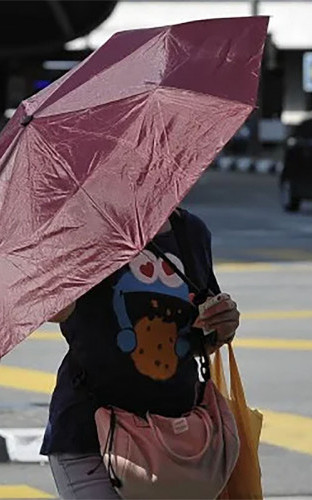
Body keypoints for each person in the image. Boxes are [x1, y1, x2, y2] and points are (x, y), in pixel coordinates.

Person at [41, 207, 240, 499]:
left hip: (177, 438)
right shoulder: (81, 229)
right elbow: (55, 310)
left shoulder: (190, 232)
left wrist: (223, 322)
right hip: (92, 436)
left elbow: (201, 334)